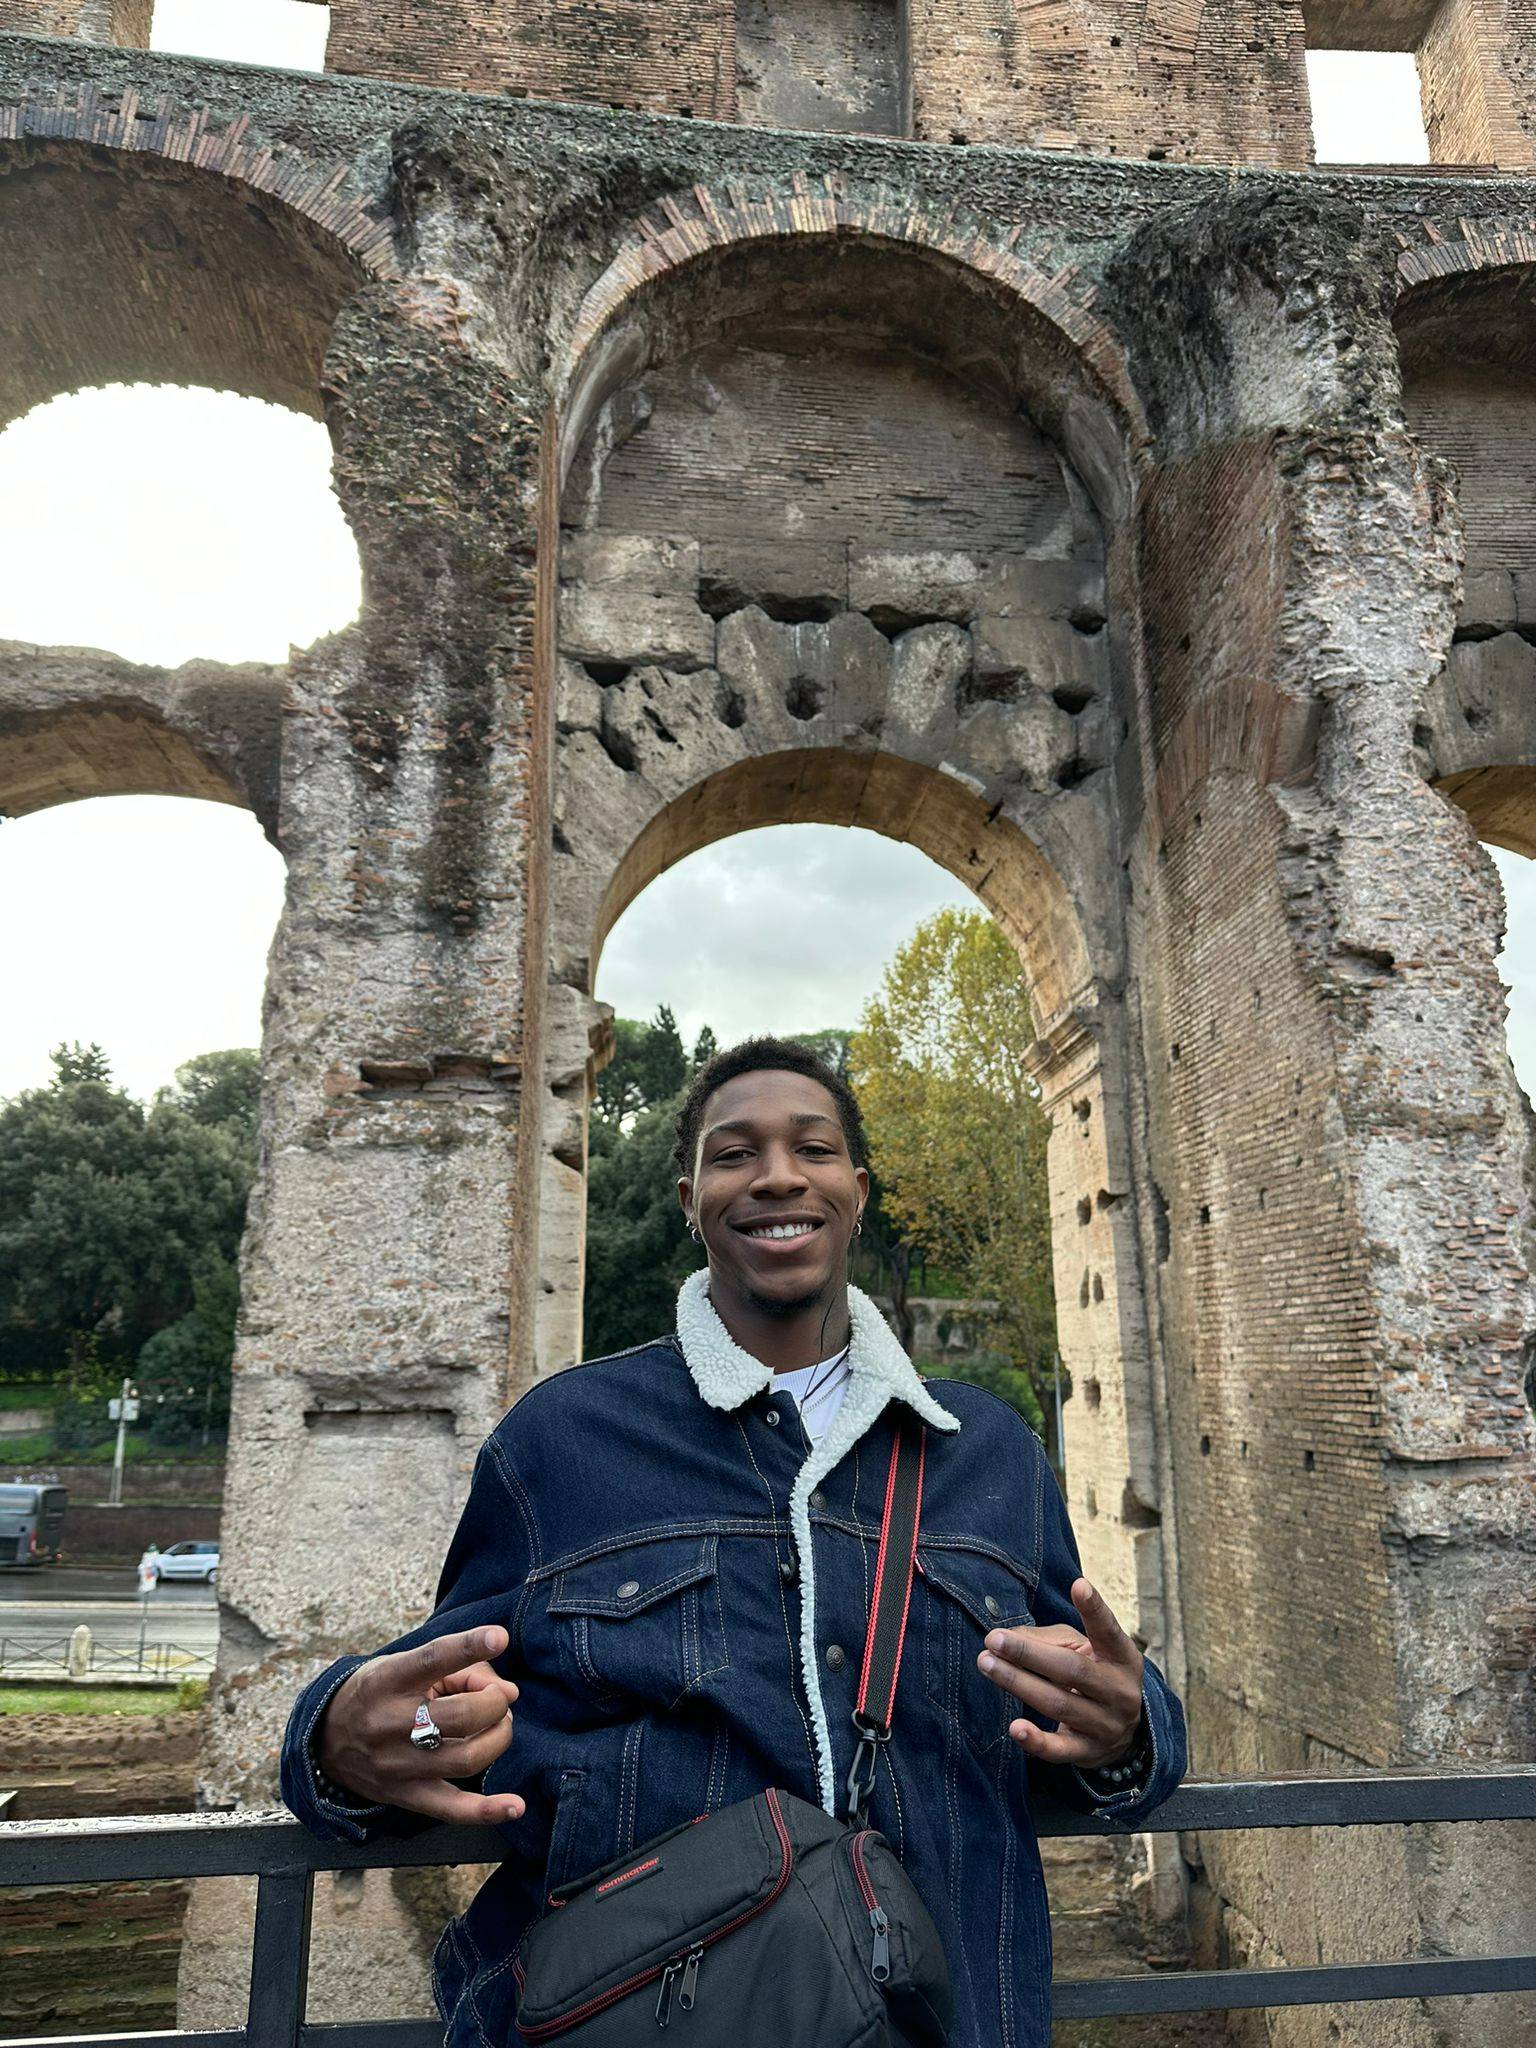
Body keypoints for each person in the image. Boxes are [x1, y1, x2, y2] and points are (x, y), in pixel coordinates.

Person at [281, 1037, 1187, 2046]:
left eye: (813, 1147)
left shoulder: (990, 1455)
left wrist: (1125, 1730)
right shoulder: (561, 1440)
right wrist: (334, 1744)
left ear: (856, 1187)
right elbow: (428, 1708)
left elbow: (1096, 1716)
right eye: (734, 1152)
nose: (778, 1175)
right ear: (688, 1195)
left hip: (948, 2011)